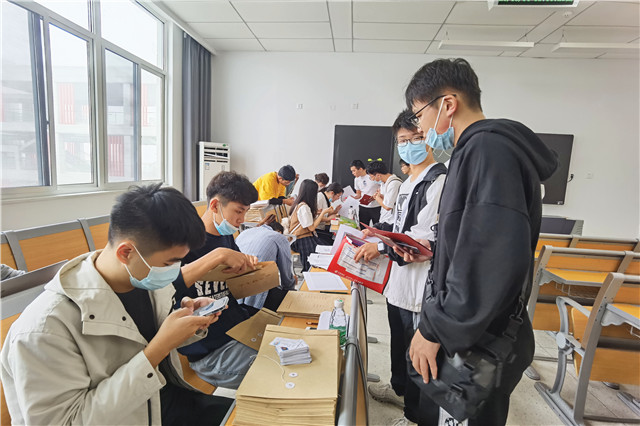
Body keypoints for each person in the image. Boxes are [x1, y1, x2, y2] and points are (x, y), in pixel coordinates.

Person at [0, 184, 236, 425]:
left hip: (168, 402)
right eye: (169, 263)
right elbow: (66, 421)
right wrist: (158, 349)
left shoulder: (145, 280)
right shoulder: (44, 329)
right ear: (125, 253)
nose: (174, 271)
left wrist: (188, 321)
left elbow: (143, 338)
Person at [405, 58, 557, 425]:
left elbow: (488, 260)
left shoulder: (488, 151)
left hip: (474, 338)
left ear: (448, 104)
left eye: (420, 115)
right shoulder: (478, 150)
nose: (421, 128)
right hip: (471, 328)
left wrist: (434, 329)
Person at [354, 110, 447, 426]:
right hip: (399, 283)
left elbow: (423, 239)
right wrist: (375, 233)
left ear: (430, 139)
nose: (408, 146)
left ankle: (415, 415)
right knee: (399, 342)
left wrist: (380, 247)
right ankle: (400, 390)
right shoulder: (409, 182)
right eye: (402, 141)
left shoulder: (439, 181)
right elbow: (398, 225)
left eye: (416, 138)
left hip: (420, 287)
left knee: (416, 354)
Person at [173, 171, 262, 390]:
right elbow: (168, 288)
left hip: (238, 329)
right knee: (279, 371)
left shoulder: (225, 235)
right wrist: (218, 256)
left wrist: (247, 264)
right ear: (215, 205)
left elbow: (236, 279)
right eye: (238, 211)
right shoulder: (182, 244)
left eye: (245, 212)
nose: (242, 220)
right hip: (211, 350)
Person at [235, 217, 297, 311]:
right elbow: (285, 271)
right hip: (256, 293)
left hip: (236, 291)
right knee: (292, 301)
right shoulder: (278, 237)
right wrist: (291, 285)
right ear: (279, 231)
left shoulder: (244, 233)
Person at [289, 179, 334, 272]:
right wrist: (323, 213)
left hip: (301, 237)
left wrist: (317, 213)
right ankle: (311, 272)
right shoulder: (304, 207)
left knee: (327, 244)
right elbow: (311, 228)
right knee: (324, 251)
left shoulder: (300, 204)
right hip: (300, 239)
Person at [366, 160, 403, 225]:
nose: (372, 179)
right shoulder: (383, 183)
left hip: (392, 221)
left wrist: (377, 198)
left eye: (371, 177)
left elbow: (388, 206)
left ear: (378, 175)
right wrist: (380, 196)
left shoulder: (394, 183)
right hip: (385, 218)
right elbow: (388, 199)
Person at [350, 160, 381, 225]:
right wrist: (353, 197)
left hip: (376, 206)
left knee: (377, 227)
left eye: (354, 171)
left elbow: (382, 188)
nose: (352, 173)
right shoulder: (356, 179)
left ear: (360, 169)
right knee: (363, 227)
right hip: (363, 207)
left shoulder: (372, 176)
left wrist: (375, 196)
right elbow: (358, 194)